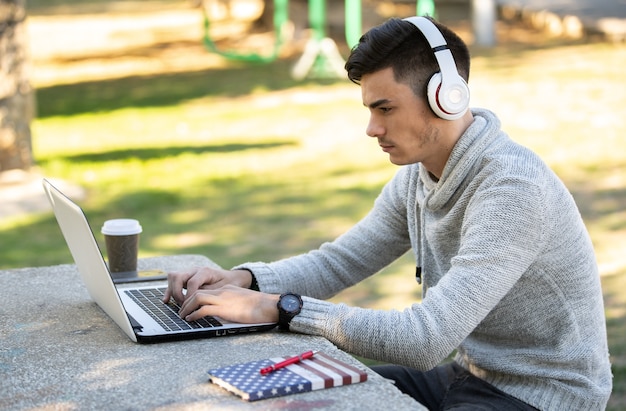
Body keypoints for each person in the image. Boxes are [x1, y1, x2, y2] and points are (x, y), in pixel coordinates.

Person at [163, 16, 612, 410]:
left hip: (541, 396)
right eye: (370, 109)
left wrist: (277, 308)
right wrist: (244, 280)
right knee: (290, 399)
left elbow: (424, 339)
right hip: (469, 376)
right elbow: (340, 261)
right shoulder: (419, 176)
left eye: (385, 108)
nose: (372, 129)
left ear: (446, 98)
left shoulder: (513, 190)